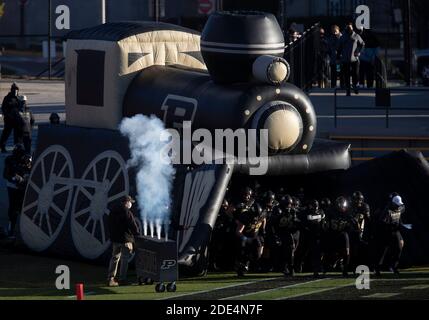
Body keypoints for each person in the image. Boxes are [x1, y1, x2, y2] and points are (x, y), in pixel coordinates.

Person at [107, 195, 140, 286]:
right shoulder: (127, 212)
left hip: (115, 239)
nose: (131, 204)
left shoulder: (113, 211)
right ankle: (122, 279)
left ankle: (111, 278)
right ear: (127, 202)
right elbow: (133, 225)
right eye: (130, 202)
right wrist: (137, 235)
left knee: (114, 258)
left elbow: (109, 224)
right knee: (125, 259)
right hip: (126, 240)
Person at [373, 194, 405, 275]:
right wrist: (390, 224)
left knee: (400, 245)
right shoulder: (387, 211)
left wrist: (402, 224)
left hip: (395, 230)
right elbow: (382, 222)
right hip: (387, 231)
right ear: (393, 203)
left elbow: (399, 218)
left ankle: (394, 266)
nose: (399, 206)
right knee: (383, 250)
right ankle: (377, 268)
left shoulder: (400, 208)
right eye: (397, 205)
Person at [3, 144, 31, 236]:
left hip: (25, 186)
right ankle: (11, 229)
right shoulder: (10, 160)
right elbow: (5, 175)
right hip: (13, 186)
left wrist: (26, 178)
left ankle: (27, 230)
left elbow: (33, 171)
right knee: (13, 208)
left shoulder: (28, 159)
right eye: (17, 154)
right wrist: (15, 178)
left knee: (24, 207)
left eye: (20, 154)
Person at [234, 202, 266, 277]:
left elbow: (264, 219)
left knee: (258, 255)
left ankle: (247, 263)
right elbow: (238, 232)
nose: (255, 218)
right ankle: (241, 265)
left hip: (255, 235)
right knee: (243, 249)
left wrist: (263, 229)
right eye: (254, 216)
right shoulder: (245, 216)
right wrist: (246, 239)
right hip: (245, 236)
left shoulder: (262, 214)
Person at [272, 195, 300, 276]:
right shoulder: (277, 210)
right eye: (287, 204)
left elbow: (298, 221)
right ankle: (285, 267)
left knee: (291, 249)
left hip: (289, 232)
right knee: (283, 251)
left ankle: (289, 267)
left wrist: (295, 218)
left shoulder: (292, 210)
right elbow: (275, 223)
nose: (289, 206)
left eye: (289, 204)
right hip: (279, 232)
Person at [324, 196, 352, 277]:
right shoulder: (331, 212)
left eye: (343, 206)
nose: (342, 208)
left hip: (343, 233)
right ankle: (329, 264)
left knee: (347, 251)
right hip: (332, 234)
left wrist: (351, 224)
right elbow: (326, 225)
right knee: (329, 251)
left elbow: (352, 226)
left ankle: (345, 269)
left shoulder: (348, 213)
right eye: (340, 206)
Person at [298, 199, 326, 277]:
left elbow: (322, 217)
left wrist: (319, 217)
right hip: (308, 235)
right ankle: (299, 264)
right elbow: (309, 218)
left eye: (316, 206)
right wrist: (319, 217)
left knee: (317, 253)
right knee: (304, 252)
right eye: (313, 206)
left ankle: (316, 269)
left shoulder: (321, 211)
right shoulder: (306, 212)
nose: (315, 208)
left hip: (317, 235)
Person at [338, 23, 365, 96]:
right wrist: (339, 55)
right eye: (347, 28)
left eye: (350, 28)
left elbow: (362, 44)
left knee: (355, 74)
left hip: (354, 59)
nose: (349, 29)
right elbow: (339, 47)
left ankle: (355, 86)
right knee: (346, 75)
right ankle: (348, 90)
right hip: (345, 59)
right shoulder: (343, 37)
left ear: (352, 28)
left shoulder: (356, 36)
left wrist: (358, 52)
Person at [349, 191, 371, 269]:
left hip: (362, 229)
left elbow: (368, 219)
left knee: (363, 246)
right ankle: (352, 265)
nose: (359, 201)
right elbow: (349, 219)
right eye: (357, 200)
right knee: (353, 248)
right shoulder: (350, 207)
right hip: (352, 230)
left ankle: (365, 264)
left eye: (360, 200)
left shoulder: (365, 206)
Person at [1, 83, 21, 152]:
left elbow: (21, 107)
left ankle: (17, 146)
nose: (16, 91)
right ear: (12, 90)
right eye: (14, 90)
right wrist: (7, 114)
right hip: (9, 119)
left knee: (17, 134)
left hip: (16, 119)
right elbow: (3, 108)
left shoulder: (18, 98)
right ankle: (2, 146)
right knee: (6, 133)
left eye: (17, 90)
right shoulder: (7, 98)